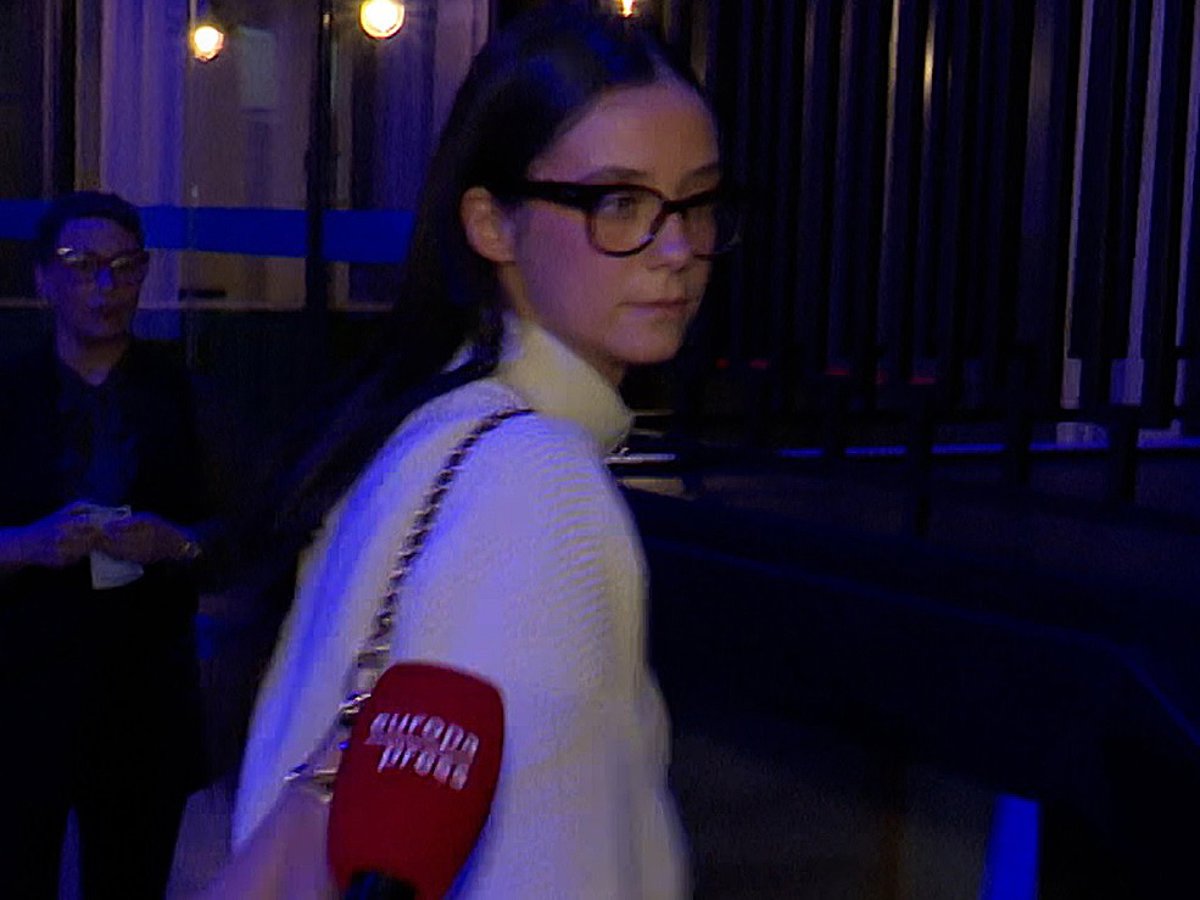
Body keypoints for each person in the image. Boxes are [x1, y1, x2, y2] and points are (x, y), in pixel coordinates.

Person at [227, 6, 738, 897]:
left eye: (697, 202)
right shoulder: (537, 482)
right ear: (491, 224)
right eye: (619, 203)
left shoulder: (433, 425)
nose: (678, 248)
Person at [0, 191, 212, 898]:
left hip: (144, 696)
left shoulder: (182, 394)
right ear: (43, 278)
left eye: (124, 267)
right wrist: (27, 546)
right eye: (82, 264)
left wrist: (173, 544)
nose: (105, 285)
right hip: (22, 691)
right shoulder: (10, 394)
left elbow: (240, 535)